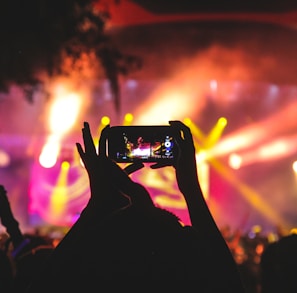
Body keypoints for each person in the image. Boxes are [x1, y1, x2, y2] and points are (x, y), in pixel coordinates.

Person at [25, 120, 246, 292]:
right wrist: (191, 189)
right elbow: (229, 283)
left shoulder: (97, 278)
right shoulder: (189, 279)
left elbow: (44, 285)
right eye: (183, 231)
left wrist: (97, 205)